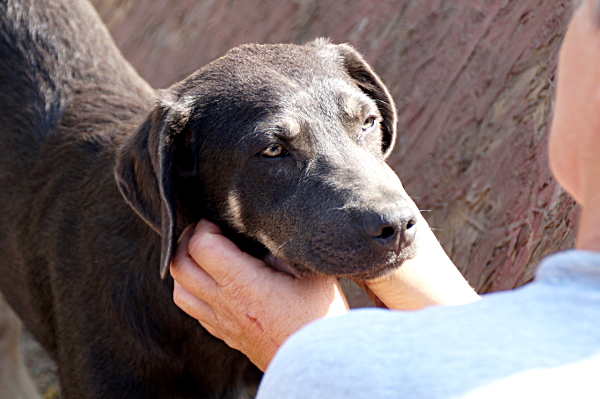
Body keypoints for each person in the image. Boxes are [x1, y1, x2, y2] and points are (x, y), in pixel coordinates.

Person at [170, 0, 600, 397]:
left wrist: (318, 355)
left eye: (367, 123)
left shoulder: (335, 374)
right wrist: (444, 305)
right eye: (274, 150)